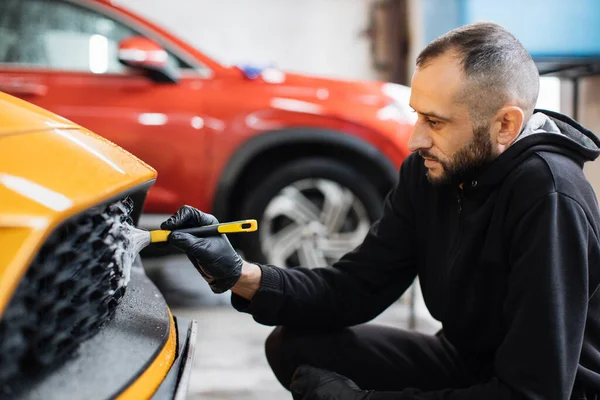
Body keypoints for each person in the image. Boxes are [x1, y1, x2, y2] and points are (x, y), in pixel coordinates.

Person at [160, 22, 600, 399]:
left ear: (505, 124)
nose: (415, 139)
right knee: (295, 346)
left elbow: (535, 391)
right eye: (417, 116)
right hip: (469, 362)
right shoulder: (433, 172)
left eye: (436, 122)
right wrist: (241, 274)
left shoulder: (549, 196)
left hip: (549, 389)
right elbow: (357, 286)